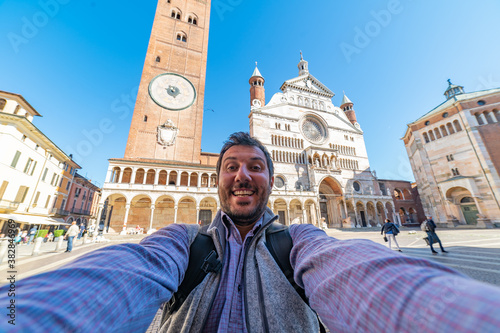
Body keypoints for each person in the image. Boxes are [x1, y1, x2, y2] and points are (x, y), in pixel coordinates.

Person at [1, 132, 500, 332]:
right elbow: (121, 272)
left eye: (256, 167)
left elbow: (356, 272)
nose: (243, 176)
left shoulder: (299, 241)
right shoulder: (184, 241)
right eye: (232, 167)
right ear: (217, 178)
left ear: (269, 179)